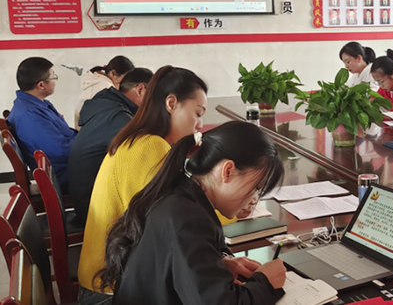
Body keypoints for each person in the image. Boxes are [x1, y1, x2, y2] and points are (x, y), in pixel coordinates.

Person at [97, 122, 286, 305]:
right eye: (256, 188)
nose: (254, 199)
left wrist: (217, 265)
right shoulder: (190, 220)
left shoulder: (176, 193)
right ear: (227, 171)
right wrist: (265, 282)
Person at [77, 66, 208, 304]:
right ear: (171, 103)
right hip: (111, 289)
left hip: (109, 278)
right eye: (198, 113)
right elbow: (175, 224)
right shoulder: (149, 147)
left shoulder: (140, 138)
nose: (200, 124)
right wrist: (231, 208)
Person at [68, 68, 153, 227]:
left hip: (87, 201)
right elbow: (144, 155)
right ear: (140, 90)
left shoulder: (107, 106)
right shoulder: (117, 117)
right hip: (95, 213)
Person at [6, 57, 77, 188]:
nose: (55, 80)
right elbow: (60, 151)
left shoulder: (39, 104)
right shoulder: (30, 115)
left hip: (68, 165)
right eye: (53, 77)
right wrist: (90, 145)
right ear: (41, 85)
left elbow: (65, 134)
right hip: (64, 174)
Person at [74, 56, 134, 129]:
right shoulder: (106, 89)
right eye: (123, 82)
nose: (123, 87)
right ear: (113, 73)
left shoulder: (96, 81)